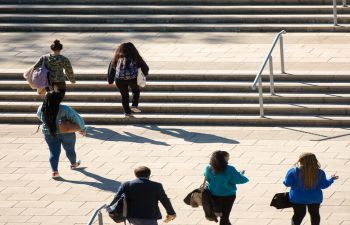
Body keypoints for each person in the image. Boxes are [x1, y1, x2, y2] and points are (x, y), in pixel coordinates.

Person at [37, 91, 86, 179]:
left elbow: (40, 117)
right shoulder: (65, 109)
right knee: (70, 149)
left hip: (49, 133)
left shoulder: (42, 108)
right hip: (66, 132)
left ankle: (54, 172)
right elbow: (76, 118)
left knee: (53, 152)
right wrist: (82, 129)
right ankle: (73, 164)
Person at [284, 153, 339, 225]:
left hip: (297, 198)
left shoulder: (293, 171)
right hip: (314, 198)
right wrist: (331, 179)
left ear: (300, 160)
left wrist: (285, 181)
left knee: (298, 215)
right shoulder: (320, 172)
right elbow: (324, 185)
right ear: (314, 160)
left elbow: (287, 183)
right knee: (315, 214)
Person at [110, 166, 176, 225]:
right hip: (150, 216)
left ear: (135, 174)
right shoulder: (156, 186)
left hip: (132, 216)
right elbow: (165, 200)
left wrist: (111, 210)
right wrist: (171, 213)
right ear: (149, 175)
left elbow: (116, 198)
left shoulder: (126, 184)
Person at [203, 151, 249, 225]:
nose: (229, 158)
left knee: (220, 213)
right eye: (227, 157)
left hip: (213, 195)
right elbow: (240, 180)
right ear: (223, 158)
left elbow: (207, 177)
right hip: (228, 195)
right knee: (225, 217)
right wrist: (241, 174)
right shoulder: (230, 169)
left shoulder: (208, 168)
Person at [111, 42, 149, 117]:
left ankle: (127, 112)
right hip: (133, 78)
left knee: (124, 96)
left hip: (119, 79)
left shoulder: (117, 56)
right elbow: (145, 68)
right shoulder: (135, 56)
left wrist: (110, 79)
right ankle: (134, 105)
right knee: (135, 91)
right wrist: (143, 75)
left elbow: (111, 68)